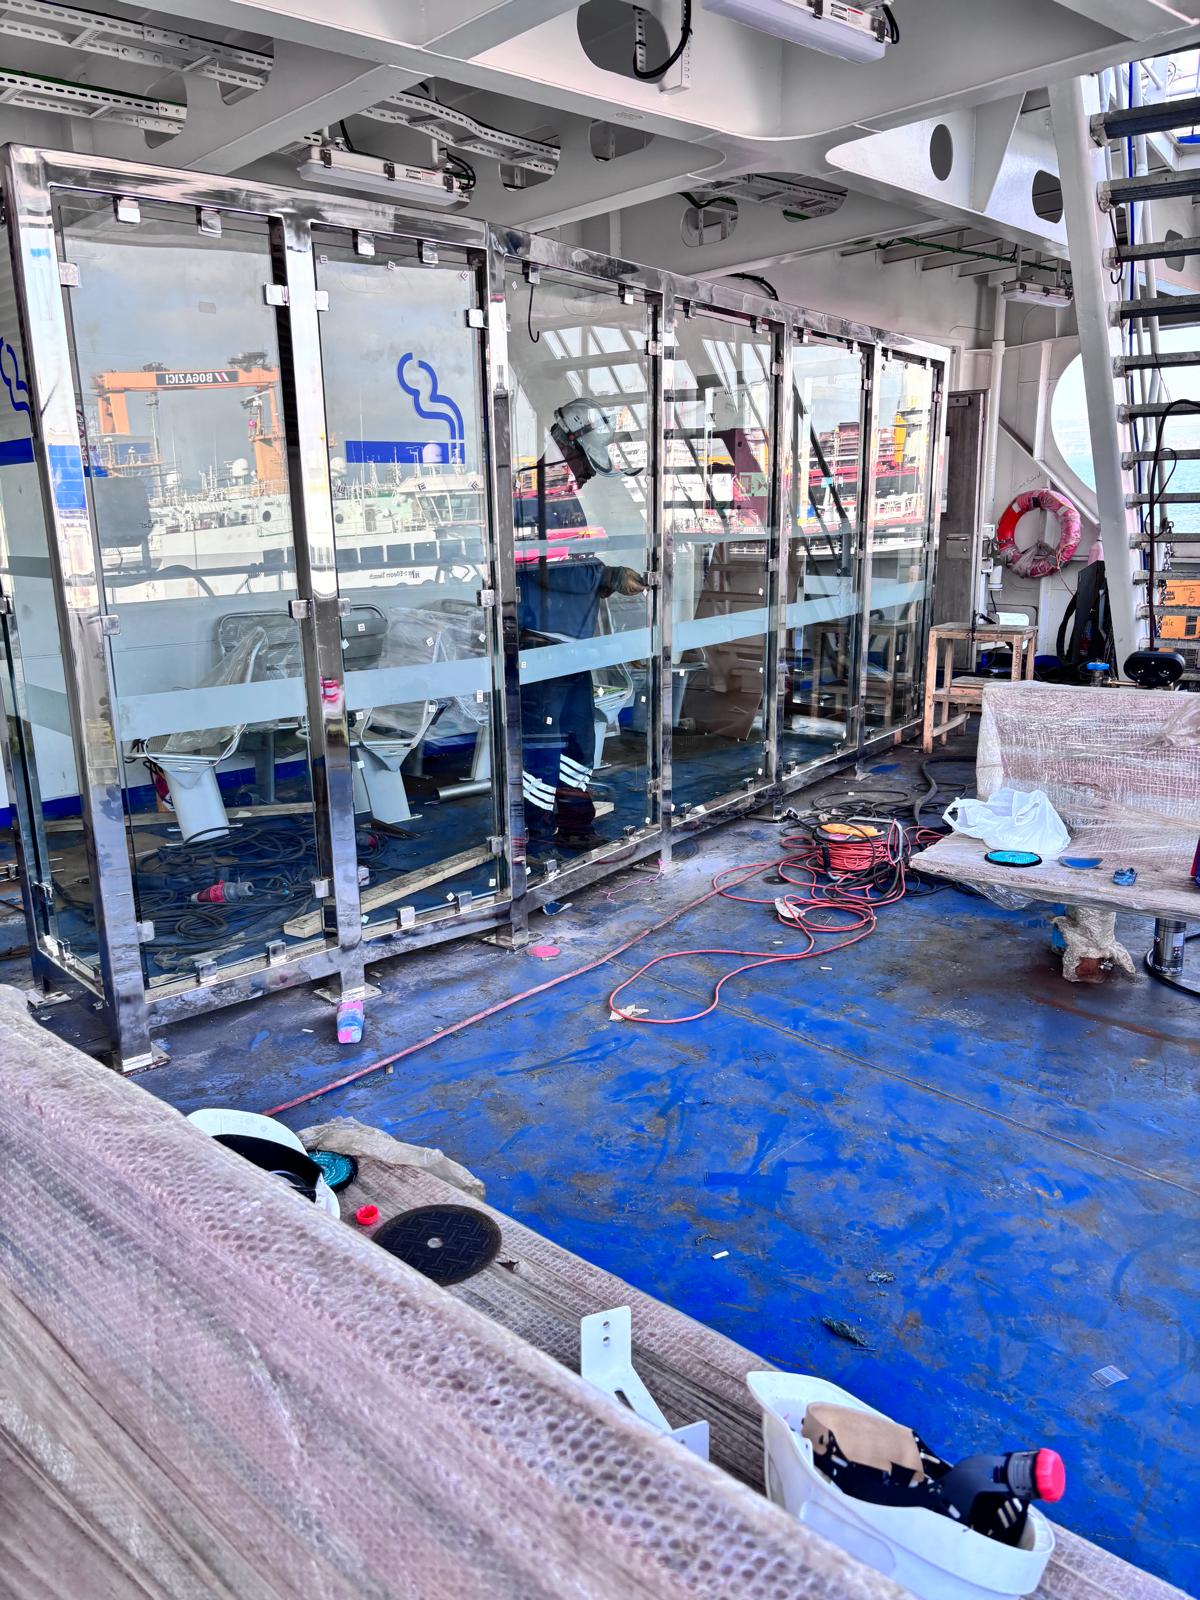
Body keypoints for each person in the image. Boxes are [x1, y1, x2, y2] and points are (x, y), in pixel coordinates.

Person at [518, 558, 646, 848]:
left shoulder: (574, 543)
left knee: (579, 741)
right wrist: (605, 575)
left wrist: (604, 577)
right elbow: (547, 569)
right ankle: (535, 836)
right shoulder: (532, 531)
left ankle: (574, 826)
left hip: (572, 653)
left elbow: (575, 565)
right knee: (543, 749)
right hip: (539, 651)